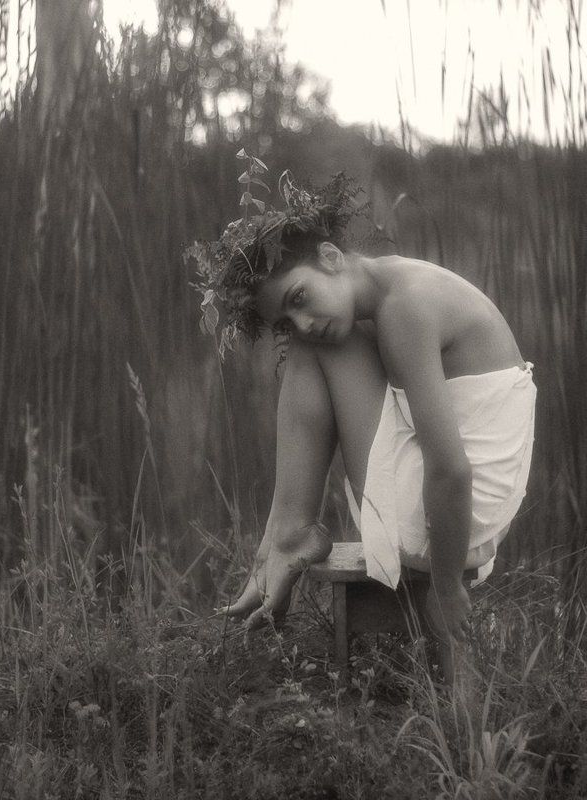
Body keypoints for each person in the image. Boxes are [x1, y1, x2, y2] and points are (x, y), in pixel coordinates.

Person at [189, 168, 536, 656]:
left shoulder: (405, 311)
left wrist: (444, 589)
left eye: (299, 297)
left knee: (314, 349)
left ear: (330, 257)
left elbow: (452, 470)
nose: (303, 321)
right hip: (465, 517)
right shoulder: (396, 284)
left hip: (449, 527)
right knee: (313, 343)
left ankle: (288, 538)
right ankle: (284, 537)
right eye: (286, 319)